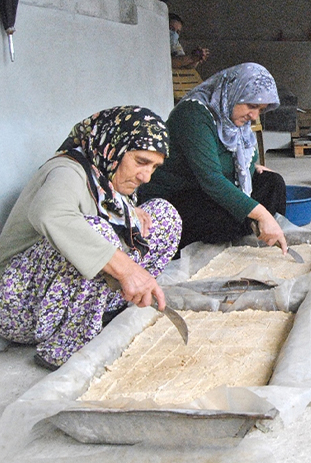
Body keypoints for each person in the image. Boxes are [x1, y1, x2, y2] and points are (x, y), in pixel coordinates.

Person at [0, 107, 181, 370]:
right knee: (97, 233)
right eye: (141, 161)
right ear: (113, 146)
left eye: (154, 167)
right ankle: (66, 347)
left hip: (64, 302)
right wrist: (126, 267)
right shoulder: (68, 170)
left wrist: (129, 212)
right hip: (20, 304)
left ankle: (104, 313)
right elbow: (49, 213)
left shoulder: (107, 175)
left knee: (164, 215)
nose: (146, 176)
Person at [138, 62, 289, 253]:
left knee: (272, 182)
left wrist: (251, 166)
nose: (254, 115)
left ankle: (265, 238)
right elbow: (211, 179)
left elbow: (240, 155)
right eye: (252, 106)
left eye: (260, 109)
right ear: (233, 92)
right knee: (226, 218)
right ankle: (240, 239)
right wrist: (262, 215)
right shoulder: (193, 115)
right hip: (177, 196)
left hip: (203, 191)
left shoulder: (233, 118)